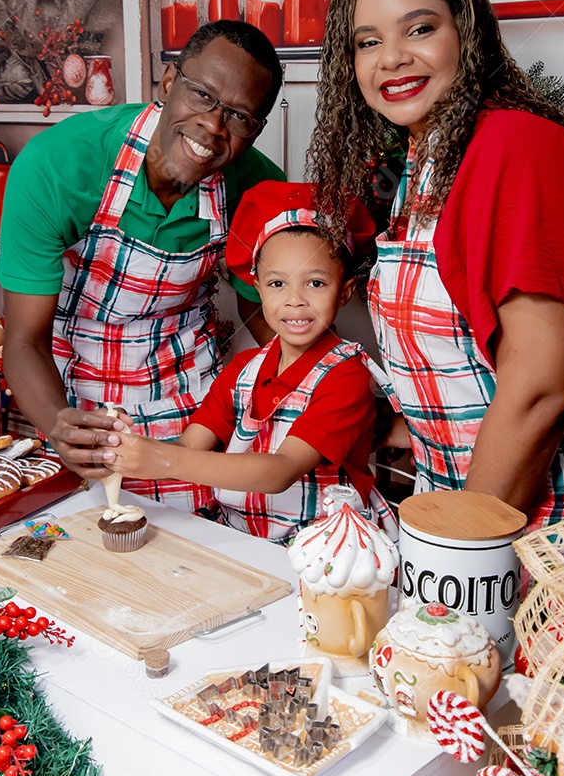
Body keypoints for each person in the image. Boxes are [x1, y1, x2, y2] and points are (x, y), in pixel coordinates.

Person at [307, 0, 564, 530]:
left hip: (561, 516)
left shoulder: (520, 147)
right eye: (368, 42)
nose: (390, 58)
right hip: (465, 494)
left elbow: (540, 386)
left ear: (466, 34)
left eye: (419, 29)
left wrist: (462, 547)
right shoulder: (423, 160)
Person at [0, 20, 284, 510]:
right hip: (67, 389)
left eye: (239, 117)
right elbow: (24, 340)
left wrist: (303, 395)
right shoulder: (60, 166)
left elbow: (267, 315)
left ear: (256, 130)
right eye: (202, 96)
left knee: (199, 550)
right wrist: (58, 425)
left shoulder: (257, 190)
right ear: (169, 83)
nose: (213, 128)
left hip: (191, 400)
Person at [106, 181, 397, 541]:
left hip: (325, 550)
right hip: (244, 537)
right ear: (256, 287)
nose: (295, 300)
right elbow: (188, 448)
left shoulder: (345, 376)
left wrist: (164, 460)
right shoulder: (242, 370)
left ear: (345, 292)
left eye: (316, 283)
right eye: (278, 284)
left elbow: (281, 471)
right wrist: (131, 447)